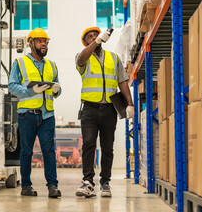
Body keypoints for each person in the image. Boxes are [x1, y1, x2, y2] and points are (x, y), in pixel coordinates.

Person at [75, 27, 134, 198]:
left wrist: (129, 104)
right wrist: (97, 42)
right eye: (90, 37)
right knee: (88, 144)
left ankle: (105, 183)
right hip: (89, 110)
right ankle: (87, 182)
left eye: (96, 35)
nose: (94, 37)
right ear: (86, 42)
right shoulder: (83, 57)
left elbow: (122, 82)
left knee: (108, 147)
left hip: (109, 109)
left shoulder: (113, 58)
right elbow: (80, 60)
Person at [8, 28, 62, 198]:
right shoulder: (20, 63)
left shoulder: (52, 66)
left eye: (45, 41)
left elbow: (57, 89)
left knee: (49, 151)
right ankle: (26, 186)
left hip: (47, 115)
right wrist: (32, 91)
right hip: (27, 115)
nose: (43, 44)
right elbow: (12, 86)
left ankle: (52, 186)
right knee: (27, 151)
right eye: (39, 41)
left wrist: (56, 90)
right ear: (30, 44)